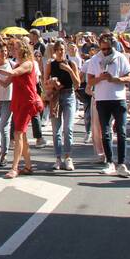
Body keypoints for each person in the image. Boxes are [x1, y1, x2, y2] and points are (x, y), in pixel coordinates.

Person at [0, 38, 41, 178]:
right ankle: (27, 166)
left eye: (15, 47)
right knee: (22, 136)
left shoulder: (28, 63)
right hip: (18, 102)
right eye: (13, 47)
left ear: (24, 49)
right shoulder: (16, 65)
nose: (13, 49)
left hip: (27, 102)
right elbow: (4, 83)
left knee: (18, 134)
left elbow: (13, 74)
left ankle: (14, 168)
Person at [89, 33, 130, 178]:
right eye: (103, 49)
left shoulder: (120, 57)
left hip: (118, 98)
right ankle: (109, 162)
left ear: (112, 46)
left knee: (121, 132)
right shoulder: (95, 59)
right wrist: (100, 78)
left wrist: (115, 79)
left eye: (108, 49)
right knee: (105, 132)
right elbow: (89, 81)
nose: (105, 51)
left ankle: (121, 163)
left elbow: (129, 78)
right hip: (102, 99)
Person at [46, 40, 80, 171]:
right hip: (55, 96)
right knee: (56, 130)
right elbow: (45, 83)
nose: (61, 52)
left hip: (69, 95)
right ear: (54, 51)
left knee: (68, 128)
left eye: (62, 49)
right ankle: (58, 158)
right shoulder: (51, 64)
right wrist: (51, 82)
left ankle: (68, 157)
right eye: (58, 49)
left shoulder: (71, 63)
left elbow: (77, 84)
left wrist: (70, 71)